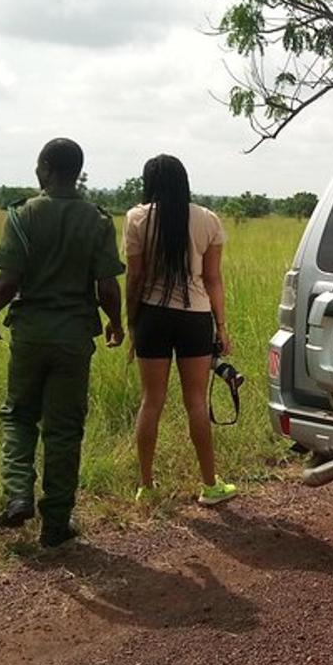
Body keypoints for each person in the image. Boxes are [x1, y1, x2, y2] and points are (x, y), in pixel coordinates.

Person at [0, 138, 125, 548]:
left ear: (44, 168)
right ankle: (56, 524)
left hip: (29, 334)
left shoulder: (22, 215)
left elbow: (8, 280)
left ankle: (18, 494)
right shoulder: (97, 220)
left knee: (19, 415)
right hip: (75, 338)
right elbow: (107, 285)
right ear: (78, 171)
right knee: (64, 430)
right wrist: (115, 321)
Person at [125, 154, 237, 506]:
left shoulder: (137, 218)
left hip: (153, 316)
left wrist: (132, 322)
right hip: (195, 317)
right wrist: (221, 326)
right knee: (196, 403)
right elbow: (213, 278)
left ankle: (146, 486)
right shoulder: (207, 219)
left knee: (151, 402)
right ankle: (210, 484)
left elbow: (135, 277)